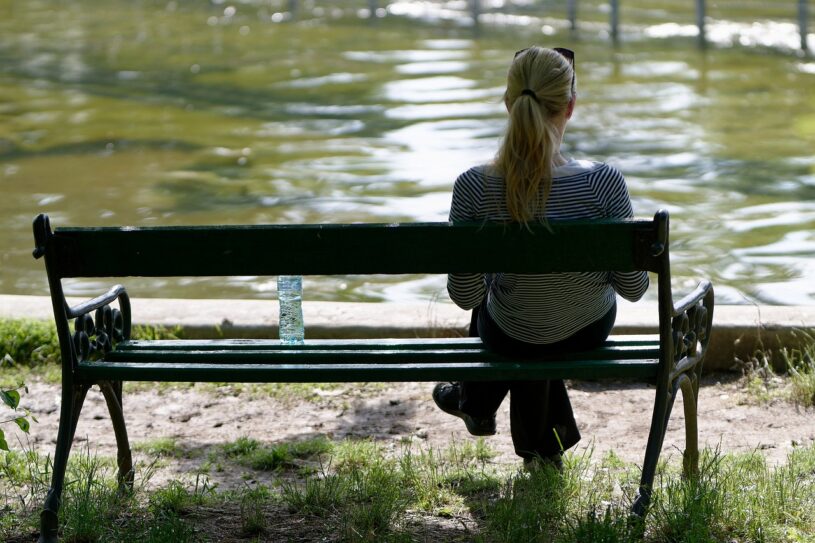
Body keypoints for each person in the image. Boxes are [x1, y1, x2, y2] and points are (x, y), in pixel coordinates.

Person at [433, 46, 649, 469]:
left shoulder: (473, 186)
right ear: (570, 107)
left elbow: (464, 294)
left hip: (509, 332)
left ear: (508, 103)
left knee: (515, 319)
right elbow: (634, 288)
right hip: (587, 330)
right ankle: (539, 449)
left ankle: (475, 398)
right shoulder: (603, 182)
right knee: (541, 323)